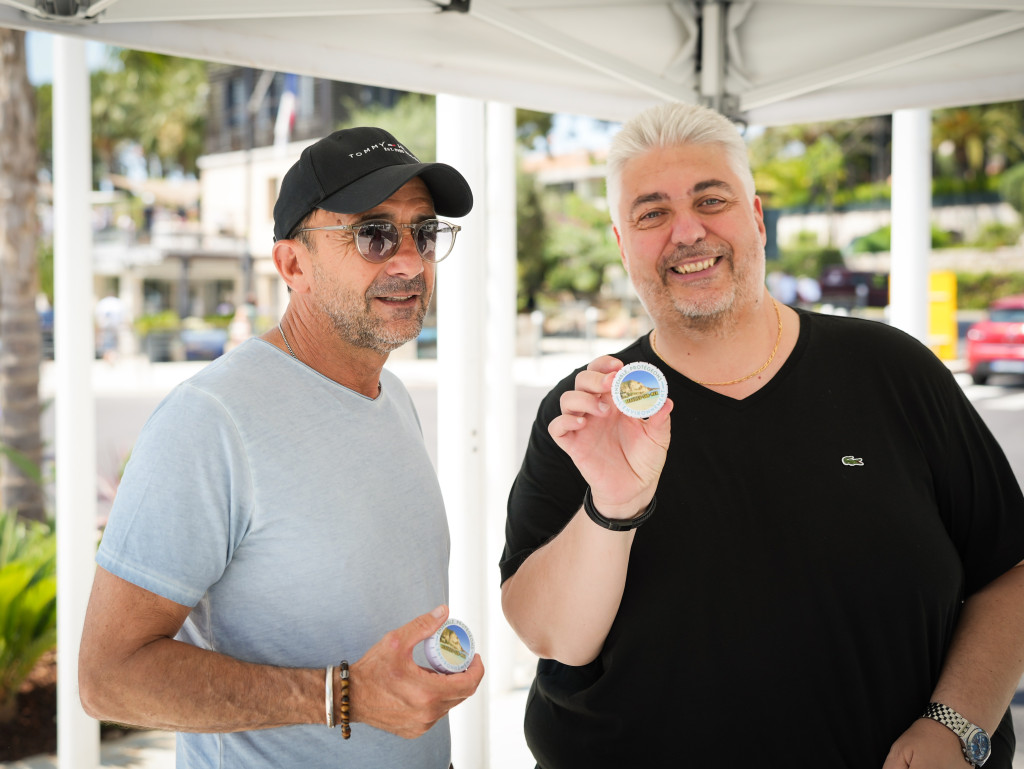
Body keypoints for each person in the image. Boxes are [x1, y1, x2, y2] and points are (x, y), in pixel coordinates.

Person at [499, 102, 1024, 768]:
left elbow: (1008, 570)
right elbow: (550, 634)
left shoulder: (892, 370)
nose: (687, 231)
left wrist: (956, 724)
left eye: (710, 200)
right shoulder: (590, 411)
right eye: (652, 212)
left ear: (756, 215)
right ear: (621, 240)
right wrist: (612, 505)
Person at [79, 127, 484, 768]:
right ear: (294, 265)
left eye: (424, 232)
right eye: (374, 234)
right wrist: (338, 695)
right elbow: (109, 677)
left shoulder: (393, 396)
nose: (409, 261)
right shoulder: (209, 421)